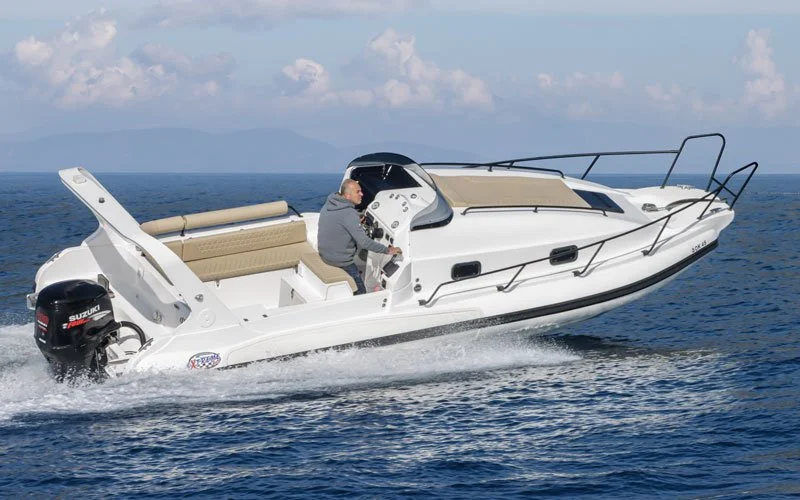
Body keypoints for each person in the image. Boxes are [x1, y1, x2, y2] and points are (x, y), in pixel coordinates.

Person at [317, 179, 402, 294]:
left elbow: (341, 220)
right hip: (341, 263)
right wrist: (388, 250)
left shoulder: (329, 205)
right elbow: (364, 242)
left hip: (325, 255)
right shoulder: (349, 214)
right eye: (358, 192)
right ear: (347, 196)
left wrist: (357, 219)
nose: (362, 194)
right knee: (362, 293)